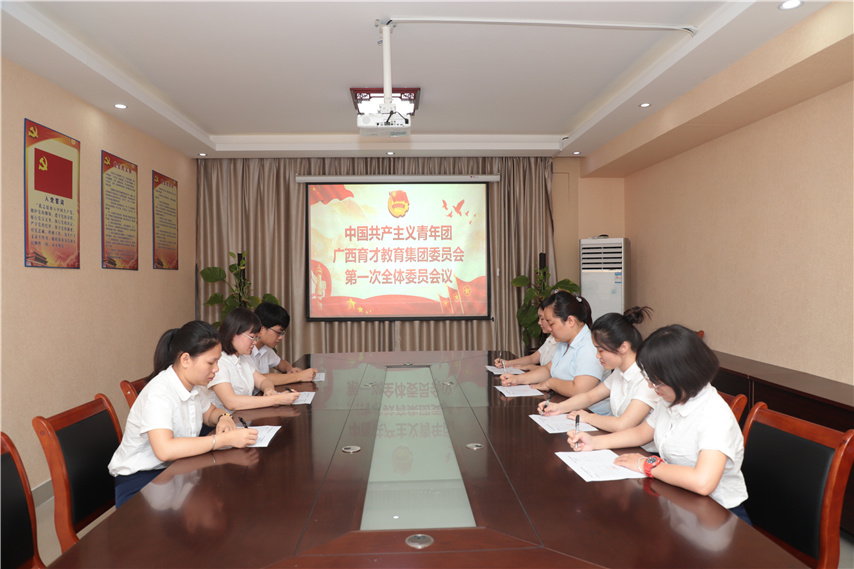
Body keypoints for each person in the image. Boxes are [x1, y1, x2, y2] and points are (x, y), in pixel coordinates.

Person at [567, 325, 749, 520]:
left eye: (656, 381)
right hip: (679, 501)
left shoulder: (714, 415)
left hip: (718, 515)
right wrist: (594, 442)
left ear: (680, 375)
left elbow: (703, 482)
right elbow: (641, 433)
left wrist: (645, 464)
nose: (650, 386)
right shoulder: (673, 398)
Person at [108, 321, 259, 508]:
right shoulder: (159, 393)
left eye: (217, 361)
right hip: (142, 481)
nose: (216, 369)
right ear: (186, 359)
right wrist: (223, 440)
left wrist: (223, 418)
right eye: (211, 362)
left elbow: (211, 412)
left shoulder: (194, 386)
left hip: (174, 470)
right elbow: (165, 450)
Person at [538, 307, 659, 447]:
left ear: (623, 347)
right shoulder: (620, 371)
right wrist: (559, 407)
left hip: (643, 451)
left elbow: (623, 424)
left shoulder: (646, 379)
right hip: (621, 443)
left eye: (600, 350)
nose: (597, 355)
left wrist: (588, 417)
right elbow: (590, 396)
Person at [500, 291, 607, 413]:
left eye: (551, 323)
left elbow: (579, 390)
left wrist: (551, 383)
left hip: (589, 414)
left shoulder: (589, 346)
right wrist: (517, 379)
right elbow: (547, 370)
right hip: (564, 406)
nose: (549, 329)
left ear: (570, 321)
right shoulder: (564, 341)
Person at [208, 307, 300, 411]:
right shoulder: (218, 361)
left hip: (245, 415)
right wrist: (277, 399)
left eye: (256, 338)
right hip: (225, 419)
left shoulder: (243, 357)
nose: (255, 342)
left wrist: (268, 389)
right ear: (233, 333)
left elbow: (263, 381)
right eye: (252, 337)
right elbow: (231, 402)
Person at [252, 302, 317, 383]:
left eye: (282, 333)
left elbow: (279, 363)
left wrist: (290, 369)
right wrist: (298, 376)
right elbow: (258, 379)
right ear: (261, 329)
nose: (281, 337)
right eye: (278, 332)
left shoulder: (265, 347)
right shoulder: (246, 349)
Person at [494, 300, 557, 371]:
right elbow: (532, 358)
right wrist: (507, 363)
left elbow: (551, 371)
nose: (539, 322)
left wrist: (528, 367)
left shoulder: (563, 343)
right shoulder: (551, 338)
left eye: (542, 319)